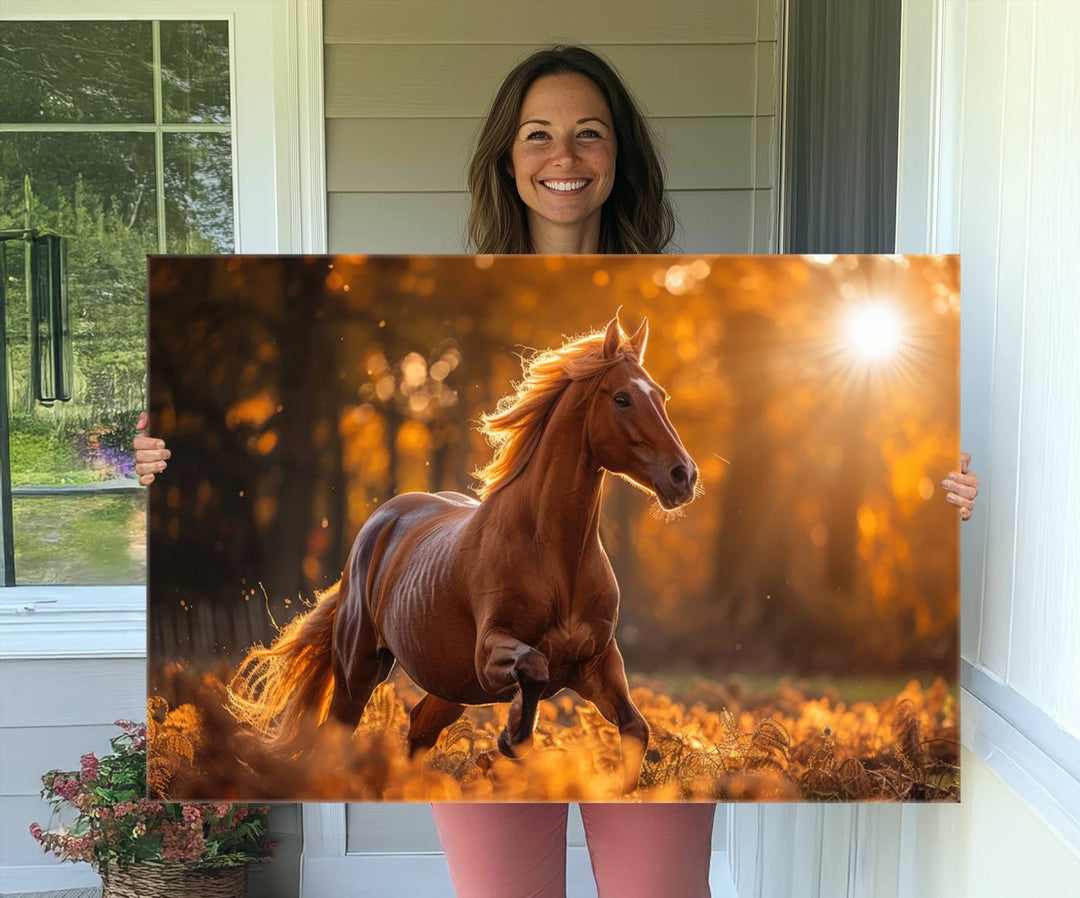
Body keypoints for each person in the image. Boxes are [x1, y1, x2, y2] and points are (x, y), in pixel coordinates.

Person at [135, 45, 979, 898]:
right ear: (508, 158)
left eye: (589, 134)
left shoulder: (731, 271)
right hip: (465, 641)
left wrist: (952, 494)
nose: (564, 157)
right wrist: (163, 460)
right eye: (538, 135)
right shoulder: (455, 275)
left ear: (620, 157)